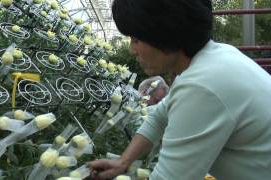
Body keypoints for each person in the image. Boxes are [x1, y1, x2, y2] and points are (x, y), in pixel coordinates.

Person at [89, 0, 271, 180]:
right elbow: (159, 117)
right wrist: (123, 162)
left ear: (164, 33)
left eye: (136, 39)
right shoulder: (217, 56)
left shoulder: (202, 85)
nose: (132, 50)